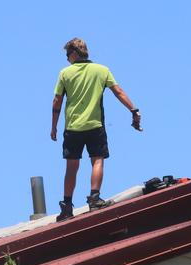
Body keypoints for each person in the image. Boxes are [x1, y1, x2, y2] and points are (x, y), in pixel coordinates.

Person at [51, 38, 142, 222]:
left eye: (68, 55)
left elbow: (57, 101)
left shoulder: (65, 74)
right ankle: (94, 199)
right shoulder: (102, 70)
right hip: (95, 125)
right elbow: (119, 92)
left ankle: (67, 207)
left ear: (74, 53)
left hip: (73, 127)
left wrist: (53, 126)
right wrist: (133, 110)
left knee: (71, 166)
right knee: (97, 160)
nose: (67, 59)